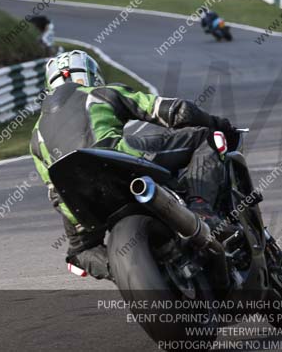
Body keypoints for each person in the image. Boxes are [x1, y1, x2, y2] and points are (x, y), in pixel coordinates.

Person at [29, 50, 237, 280]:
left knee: (80, 253)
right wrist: (220, 124)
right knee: (205, 137)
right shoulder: (101, 93)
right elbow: (176, 111)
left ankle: (123, 271)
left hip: (79, 197)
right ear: (91, 75)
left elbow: (54, 192)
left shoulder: (35, 136)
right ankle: (202, 209)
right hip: (119, 161)